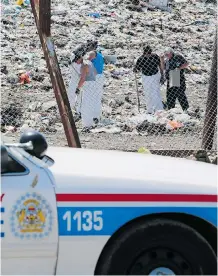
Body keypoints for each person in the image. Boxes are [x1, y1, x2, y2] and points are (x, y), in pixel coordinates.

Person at [134, 45, 164, 114]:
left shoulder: (155, 56)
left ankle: (158, 109)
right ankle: (149, 110)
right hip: (146, 77)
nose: (148, 56)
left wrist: (162, 75)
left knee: (156, 92)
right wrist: (135, 69)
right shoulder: (141, 59)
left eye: (149, 54)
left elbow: (160, 66)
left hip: (155, 76)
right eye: (146, 54)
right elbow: (137, 69)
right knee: (148, 93)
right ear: (144, 53)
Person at [73, 51, 98, 130]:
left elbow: (83, 78)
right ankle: (90, 123)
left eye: (76, 61)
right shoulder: (90, 63)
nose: (76, 63)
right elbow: (95, 72)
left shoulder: (84, 65)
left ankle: (87, 125)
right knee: (90, 104)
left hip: (87, 85)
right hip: (93, 83)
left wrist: (78, 88)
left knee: (85, 106)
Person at [88, 43, 105, 124]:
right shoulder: (100, 55)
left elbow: (87, 60)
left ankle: (93, 116)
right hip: (100, 76)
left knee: (92, 96)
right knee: (97, 97)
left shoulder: (93, 53)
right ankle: (97, 116)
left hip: (95, 77)